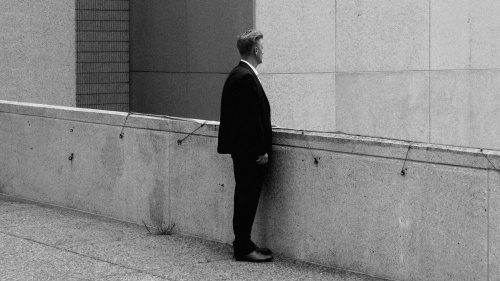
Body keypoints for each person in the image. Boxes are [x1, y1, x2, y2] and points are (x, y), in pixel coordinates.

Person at [217, 29, 273, 262]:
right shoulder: (246, 77)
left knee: (244, 196)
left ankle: (245, 243)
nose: (264, 50)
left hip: (242, 151)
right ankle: (243, 246)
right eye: (262, 46)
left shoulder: (237, 74)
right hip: (250, 153)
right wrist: (260, 150)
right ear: (256, 50)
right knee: (246, 198)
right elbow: (251, 120)